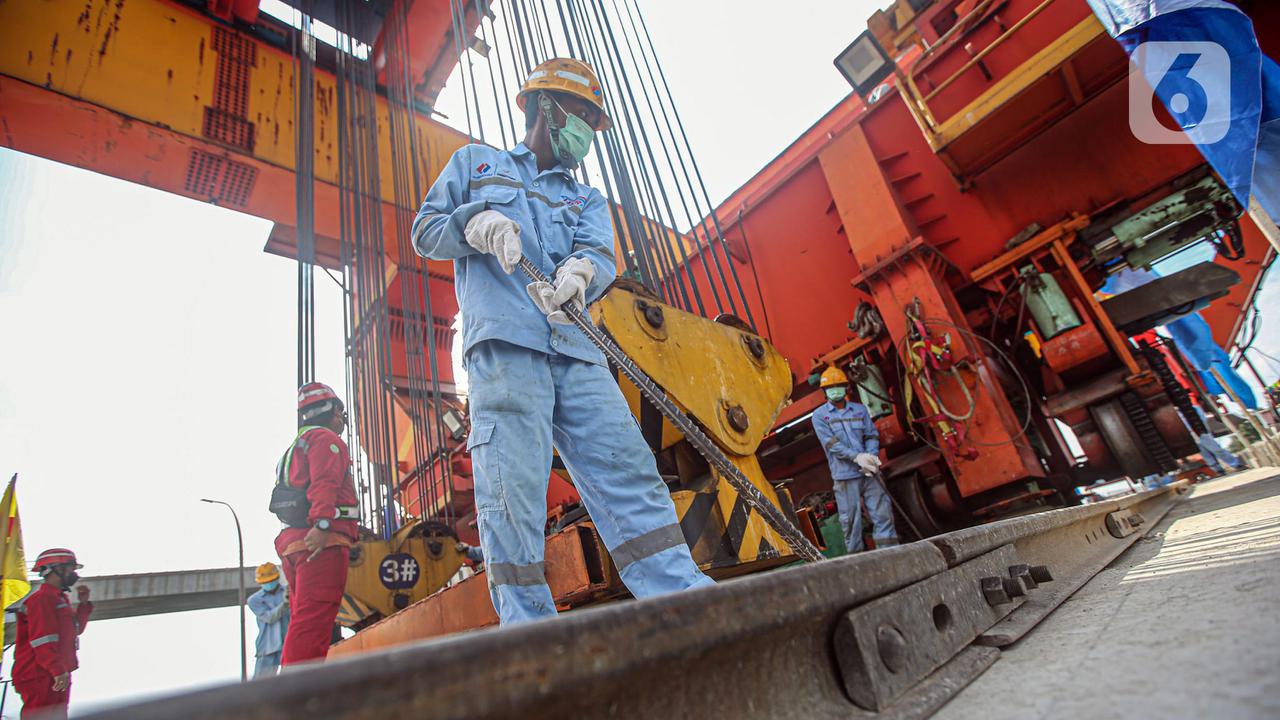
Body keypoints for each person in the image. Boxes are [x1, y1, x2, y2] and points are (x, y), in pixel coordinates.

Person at [411, 57, 713, 624]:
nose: (585, 133)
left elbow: (599, 254)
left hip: (576, 349)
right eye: (579, 115)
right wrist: (474, 224)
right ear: (542, 107)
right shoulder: (475, 165)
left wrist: (581, 273)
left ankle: (681, 599)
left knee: (628, 470)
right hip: (506, 350)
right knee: (512, 491)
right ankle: (530, 629)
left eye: (592, 123)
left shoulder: (586, 199)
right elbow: (426, 231)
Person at [273, 382, 359, 665]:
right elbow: (325, 483)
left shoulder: (297, 445)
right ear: (332, 412)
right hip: (321, 542)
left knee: (303, 619)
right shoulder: (326, 440)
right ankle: (299, 686)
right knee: (314, 620)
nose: (342, 420)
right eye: (341, 414)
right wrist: (322, 524)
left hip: (294, 542)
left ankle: (294, 679)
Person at [811, 366, 898, 553]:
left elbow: (871, 435)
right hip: (845, 477)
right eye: (830, 388)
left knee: (883, 515)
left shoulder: (860, 410)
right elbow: (831, 444)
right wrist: (857, 457)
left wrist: (871, 456)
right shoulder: (819, 416)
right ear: (824, 392)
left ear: (846, 387)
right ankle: (858, 561)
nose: (834, 390)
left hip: (869, 473)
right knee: (850, 522)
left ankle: (891, 553)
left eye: (838, 386)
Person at [11, 548, 93, 719]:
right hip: (40, 674)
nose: (74, 574)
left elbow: (75, 630)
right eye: (71, 568)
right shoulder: (42, 599)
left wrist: (84, 605)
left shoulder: (59, 599)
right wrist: (57, 670)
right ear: (55, 569)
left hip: (55, 672)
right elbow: (42, 639)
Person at [247, 562, 290, 677]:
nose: (269, 584)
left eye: (271, 581)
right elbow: (269, 618)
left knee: (293, 680)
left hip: (288, 643)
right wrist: (285, 604)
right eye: (265, 582)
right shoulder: (254, 600)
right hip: (268, 647)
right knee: (262, 683)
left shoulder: (288, 592)